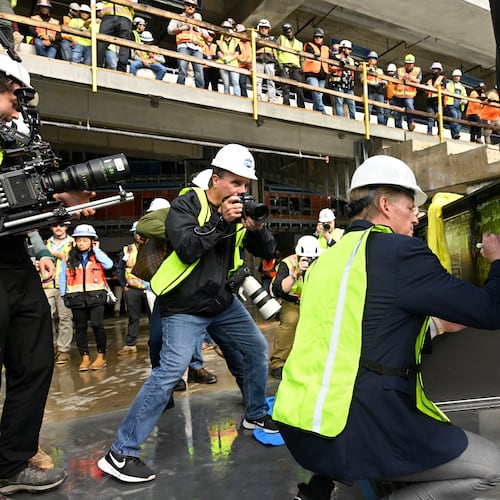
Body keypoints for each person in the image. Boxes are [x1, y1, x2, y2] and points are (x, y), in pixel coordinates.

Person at [273, 154, 500, 500]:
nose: (416, 218)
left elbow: (354, 329)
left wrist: (433, 328)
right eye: (410, 209)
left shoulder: (328, 260)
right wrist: (497, 260)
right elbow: (490, 309)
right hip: (357, 432)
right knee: (493, 472)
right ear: (384, 205)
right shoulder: (398, 252)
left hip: (303, 429)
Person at [98, 143, 278, 483]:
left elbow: (266, 250)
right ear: (215, 178)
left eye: (245, 185)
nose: (242, 191)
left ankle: (255, 414)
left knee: (256, 349)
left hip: (222, 303)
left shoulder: (238, 211)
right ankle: (120, 453)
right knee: (169, 373)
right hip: (185, 307)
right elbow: (188, 246)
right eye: (236, 183)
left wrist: (257, 229)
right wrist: (223, 222)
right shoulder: (187, 204)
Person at [0, 54, 96, 495]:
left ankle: (12, 460)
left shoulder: (14, 139)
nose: (18, 108)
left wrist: (39, 242)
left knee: (35, 361)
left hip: (13, 263)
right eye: (12, 96)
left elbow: (23, 202)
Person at [59, 224, 114, 371]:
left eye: (84, 240)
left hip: (96, 295)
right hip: (76, 297)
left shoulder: (97, 254)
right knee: (80, 328)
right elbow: (62, 275)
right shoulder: (69, 256)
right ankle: (85, 357)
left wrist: (96, 250)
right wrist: (63, 294)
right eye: (79, 240)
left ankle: (101, 356)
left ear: (92, 241)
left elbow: (109, 265)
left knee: (97, 325)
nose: (81, 243)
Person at [270, 235, 319, 380]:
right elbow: (279, 289)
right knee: (291, 322)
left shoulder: (321, 261)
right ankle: (278, 362)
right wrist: (296, 273)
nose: (309, 260)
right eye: (305, 257)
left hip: (312, 302)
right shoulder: (288, 263)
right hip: (292, 302)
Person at [116, 221, 152, 356]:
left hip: (151, 288)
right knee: (133, 317)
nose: (139, 236)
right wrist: (123, 284)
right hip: (132, 289)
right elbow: (120, 268)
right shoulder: (128, 249)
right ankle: (130, 344)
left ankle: (154, 342)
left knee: (153, 317)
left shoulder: (154, 247)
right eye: (137, 233)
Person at [43, 222, 74, 367]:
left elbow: (75, 261)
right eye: (55, 226)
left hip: (66, 285)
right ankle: (51, 346)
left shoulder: (74, 242)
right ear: (51, 228)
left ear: (66, 227)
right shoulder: (44, 243)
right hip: (47, 285)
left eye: (61, 225)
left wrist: (58, 255)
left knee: (65, 317)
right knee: (45, 318)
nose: (58, 228)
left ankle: (63, 350)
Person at [167, 0, 208, 89]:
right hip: (184, 46)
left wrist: (199, 29)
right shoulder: (178, 17)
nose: (191, 7)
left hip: (197, 48)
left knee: (199, 71)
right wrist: (182, 28)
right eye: (189, 5)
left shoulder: (198, 20)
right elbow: (170, 30)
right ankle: (180, 88)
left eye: (193, 6)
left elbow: (207, 36)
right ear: (184, 6)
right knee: (183, 69)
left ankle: (200, 90)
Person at [97, 0, 134, 72]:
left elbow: (134, 2)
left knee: (125, 43)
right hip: (108, 15)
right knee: (101, 41)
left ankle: (121, 68)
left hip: (125, 17)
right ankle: (98, 65)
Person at [277, 23, 305, 108]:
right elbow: (276, 51)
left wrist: (302, 67)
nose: (289, 33)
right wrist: (279, 64)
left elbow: (302, 57)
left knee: (299, 87)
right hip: (284, 65)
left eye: (290, 31)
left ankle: (301, 106)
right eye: (286, 31)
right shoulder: (281, 39)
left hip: (295, 67)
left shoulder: (299, 43)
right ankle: (286, 104)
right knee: (285, 87)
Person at [392, 53, 422, 131]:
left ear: (413, 64)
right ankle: (398, 127)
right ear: (405, 63)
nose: (409, 65)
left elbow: (418, 81)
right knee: (397, 112)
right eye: (407, 64)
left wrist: (410, 78)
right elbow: (394, 81)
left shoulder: (417, 70)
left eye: (410, 64)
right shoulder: (399, 70)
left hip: (409, 95)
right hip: (398, 95)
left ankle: (410, 123)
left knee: (410, 107)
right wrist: (402, 79)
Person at [303, 28, 329, 115]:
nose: (318, 38)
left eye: (320, 37)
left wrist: (341, 60)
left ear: (323, 38)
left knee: (319, 95)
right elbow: (309, 51)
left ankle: (315, 112)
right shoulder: (309, 45)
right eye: (317, 37)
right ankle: (322, 110)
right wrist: (314, 54)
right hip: (311, 74)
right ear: (314, 37)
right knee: (316, 92)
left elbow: (332, 57)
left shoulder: (326, 48)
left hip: (322, 76)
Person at [330, 39, 356, 119]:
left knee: (352, 104)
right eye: (348, 49)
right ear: (343, 48)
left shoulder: (351, 60)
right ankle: (340, 119)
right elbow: (330, 68)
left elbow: (356, 68)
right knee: (339, 103)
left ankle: (353, 119)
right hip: (338, 84)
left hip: (349, 86)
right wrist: (340, 66)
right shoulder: (335, 57)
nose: (350, 51)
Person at [255, 19, 277, 102]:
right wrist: (264, 49)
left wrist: (262, 49)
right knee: (258, 80)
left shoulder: (272, 38)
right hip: (258, 61)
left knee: (271, 81)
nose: (264, 29)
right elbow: (253, 49)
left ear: (268, 29)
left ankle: (272, 98)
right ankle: (258, 97)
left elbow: (273, 50)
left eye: (265, 28)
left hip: (270, 62)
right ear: (259, 28)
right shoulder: (255, 38)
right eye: (262, 28)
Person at [216, 20, 241, 96]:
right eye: (224, 28)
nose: (226, 30)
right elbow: (218, 52)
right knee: (225, 82)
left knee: (235, 82)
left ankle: (237, 97)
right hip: (223, 63)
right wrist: (224, 59)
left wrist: (230, 59)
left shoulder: (235, 41)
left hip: (233, 64)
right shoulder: (219, 41)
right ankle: (227, 96)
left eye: (227, 28)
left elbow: (237, 52)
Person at [361, 50, 385, 124]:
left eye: (373, 59)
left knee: (380, 110)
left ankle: (381, 124)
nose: (371, 60)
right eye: (370, 59)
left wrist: (384, 82)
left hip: (379, 92)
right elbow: (362, 79)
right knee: (368, 109)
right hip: (370, 91)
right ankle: (366, 123)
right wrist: (370, 82)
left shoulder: (380, 70)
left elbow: (384, 79)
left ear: (376, 60)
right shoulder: (365, 68)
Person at [425, 61, 447, 135]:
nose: (435, 71)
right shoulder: (429, 81)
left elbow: (443, 88)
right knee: (430, 118)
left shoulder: (443, 78)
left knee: (439, 118)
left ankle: (440, 133)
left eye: (436, 69)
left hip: (439, 101)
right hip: (430, 101)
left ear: (439, 70)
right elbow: (426, 91)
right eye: (434, 69)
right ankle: (429, 132)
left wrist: (432, 87)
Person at [445, 69, 468, 140]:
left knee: (458, 119)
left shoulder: (462, 87)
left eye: (458, 76)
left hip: (459, 105)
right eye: (455, 76)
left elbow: (465, 96)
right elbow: (445, 92)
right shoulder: (449, 85)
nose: (456, 77)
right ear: (453, 77)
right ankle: (455, 133)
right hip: (451, 104)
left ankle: (456, 134)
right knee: (454, 117)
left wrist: (464, 101)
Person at [235, 24, 251, 97]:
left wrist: (250, 61)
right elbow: (236, 54)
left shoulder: (250, 43)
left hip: (250, 66)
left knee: (255, 83)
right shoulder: (237, 43)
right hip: (241, 65)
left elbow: (252, 53)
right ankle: (244, 97)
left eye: (244, 33)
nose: (244, 35)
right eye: (241, 33)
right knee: (242, 83)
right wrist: (243, 60)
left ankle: (257, 98)